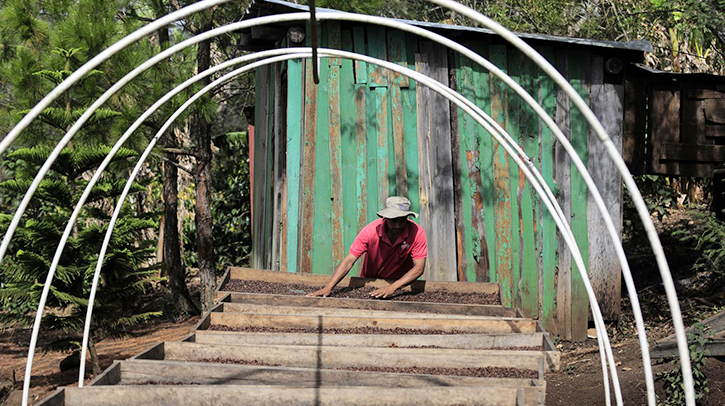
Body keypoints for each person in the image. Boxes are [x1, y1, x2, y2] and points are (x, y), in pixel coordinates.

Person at [307, 196, 427, 299]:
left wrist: (393, 287)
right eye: (394, 221)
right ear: (385, 218)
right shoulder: (370, 232)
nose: (398, 226)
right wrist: (328, 288)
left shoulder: (417, 233)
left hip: (401, 284)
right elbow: (349, 260)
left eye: (402, 221)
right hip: (371, 281)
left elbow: (419, 268)